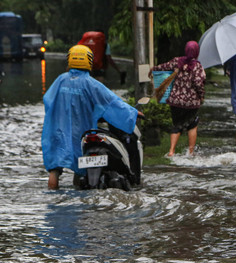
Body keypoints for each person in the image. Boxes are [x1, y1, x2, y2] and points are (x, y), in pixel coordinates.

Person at [42, 45, 140, 190]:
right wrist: (133, 112)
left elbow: (48, 101)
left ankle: (52, 199)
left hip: (58, 131)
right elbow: (112, 102)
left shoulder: (60, 80)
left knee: (54, 171)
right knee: (81, 165)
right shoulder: (91, 83)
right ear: (89, 61)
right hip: (82, 131)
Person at [150, 41, 206, 157]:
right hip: (191, 103)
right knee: (192, 124)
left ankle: (171, 151)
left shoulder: (177, 61)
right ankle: (190, 152)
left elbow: (164, 67)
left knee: (176, 125)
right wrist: (201, 96)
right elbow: (198, 83)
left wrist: (153, 69)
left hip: (175, 101)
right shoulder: (197, 66)